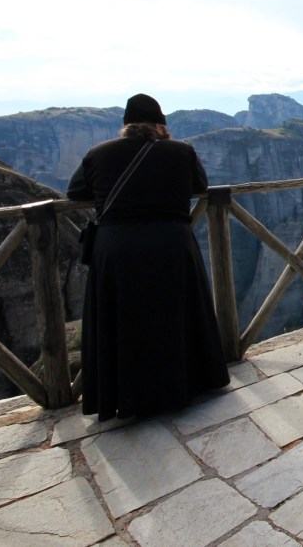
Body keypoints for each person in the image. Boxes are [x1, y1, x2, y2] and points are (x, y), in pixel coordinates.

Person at [67, 93, 229, 421]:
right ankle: (184, 384)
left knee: (124, 320)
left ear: (126, 126)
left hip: (117, 249)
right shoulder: (181, 151)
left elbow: (75, 192)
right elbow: (200, 185)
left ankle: (126, 396)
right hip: (170, 244)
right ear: (160, 126)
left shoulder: (99, 153)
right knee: (175, 315)